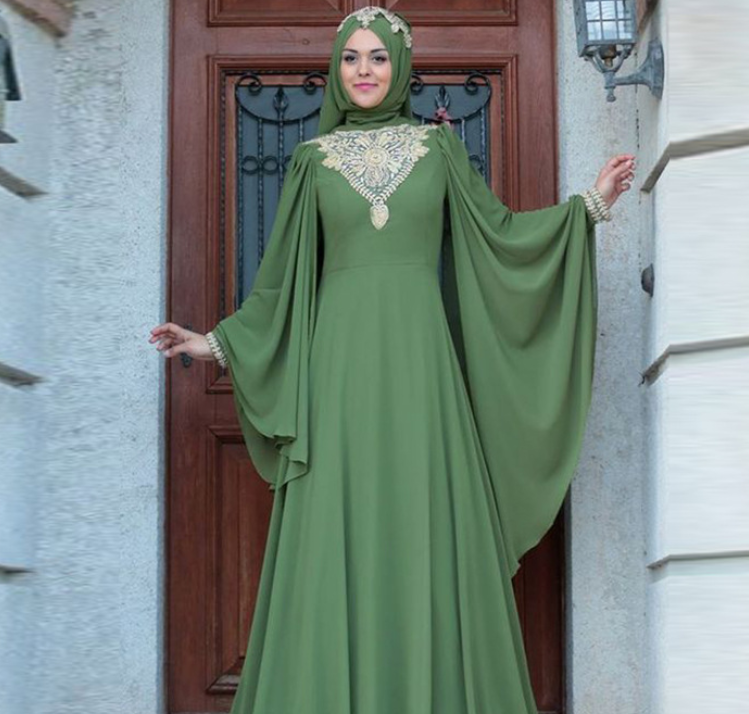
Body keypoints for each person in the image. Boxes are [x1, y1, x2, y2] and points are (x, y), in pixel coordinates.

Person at [150, 7, 635, 713]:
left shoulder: (438, 150)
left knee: (422, 522)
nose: (365, 70)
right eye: (351, 58)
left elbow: (497, 237)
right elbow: (280, 280)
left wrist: (587, 207)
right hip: (338, 375)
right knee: (337, 526)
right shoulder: (311, 161)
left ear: (400, 67)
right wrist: (214, 342)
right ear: (335, 69)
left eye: (378, 57)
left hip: (421, 373)